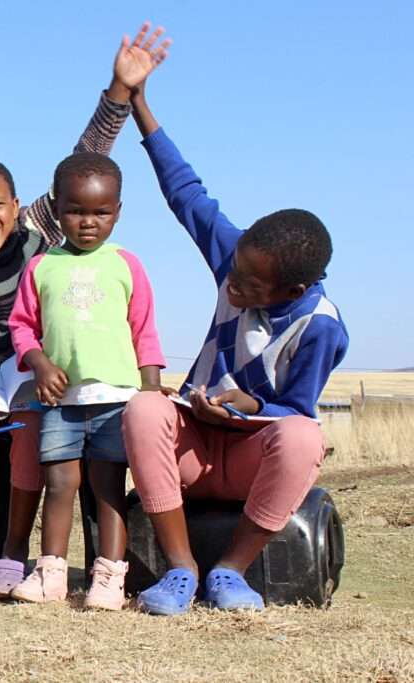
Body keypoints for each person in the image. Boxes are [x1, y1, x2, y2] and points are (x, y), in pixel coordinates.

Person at [0, 23, 171, 607]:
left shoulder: (43, 222)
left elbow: (88, 156)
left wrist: (119, 90)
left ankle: (16, 556)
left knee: (41, 422)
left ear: (16, 206)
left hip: (45, 365)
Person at [121, 82, 349, 615]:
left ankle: (232, 570)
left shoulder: (320, 326)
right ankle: (180, 569)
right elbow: (186, 193)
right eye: (235, 272)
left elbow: (295, 411)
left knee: (302, 438)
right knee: (145, 407)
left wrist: (251, 407)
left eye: (248, 285)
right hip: (194, 452)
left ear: (291, 291)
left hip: (250, 457)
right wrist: (140, 107)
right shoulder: (238, 259)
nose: (233, 286)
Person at [7, 150, 165, 609]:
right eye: (75, 211)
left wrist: (150, 395)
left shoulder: (126, 265)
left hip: (117, 400)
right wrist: (38, 362)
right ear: (57, 210)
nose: (87, 222)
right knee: (58, 485)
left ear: (117, 212)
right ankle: (51, 574)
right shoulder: (42, 267)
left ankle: (109, 580)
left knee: (108, 489)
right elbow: (21, 326)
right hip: (62, 402)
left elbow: (145, 331)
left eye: (100, 212)